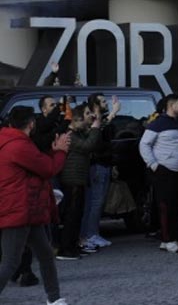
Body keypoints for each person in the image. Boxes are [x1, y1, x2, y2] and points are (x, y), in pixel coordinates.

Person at [0, 106, 71, 305]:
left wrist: (54, 151)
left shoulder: (11, 141)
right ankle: (54, 298)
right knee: (10, 262)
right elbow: (48, 168)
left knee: (46, 255)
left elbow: (37, 163)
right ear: (31, 124)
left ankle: (54, 299)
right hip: (19, 209)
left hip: (26, 209)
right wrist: (61, 152)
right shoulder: (19, 145)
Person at [139, 94, 178, 253]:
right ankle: (167, 239)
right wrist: (154, 165)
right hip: (165, 171)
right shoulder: (157, 124)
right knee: (166, 206)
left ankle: (176, 237)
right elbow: (144, 145)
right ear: (170, 105)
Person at [57, 104, 102, 260]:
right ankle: (65, 249)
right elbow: (87, 146)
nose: (90, 116)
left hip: (79, 178)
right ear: (77, 119)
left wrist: (99, 121)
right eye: (87, 113)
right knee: (71, 214)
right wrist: (96, 128)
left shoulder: (80, 133)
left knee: (78, 214)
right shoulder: (70, 135)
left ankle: (73, 245)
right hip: (71, 179)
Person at [79, 93, 120, 251]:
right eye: (103, 101)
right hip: (96, 164)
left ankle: (93, 232)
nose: (106, 103)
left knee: (98, 201)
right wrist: (113, 114)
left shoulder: (101, 118)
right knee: (94, 202)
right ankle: (89, 234)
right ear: (95, 104)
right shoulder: (93, 119)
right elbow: (95, 134)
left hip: (104, 162)